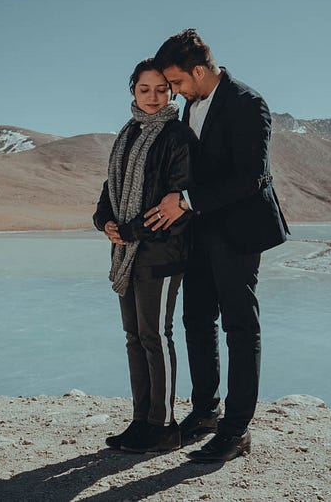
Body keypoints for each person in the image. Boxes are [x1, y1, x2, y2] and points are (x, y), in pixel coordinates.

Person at [144, 28, 289, 463]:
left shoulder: (249, 104)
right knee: (196, 319)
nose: (174, 91)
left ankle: (236, 430)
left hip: (240, 230)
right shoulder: (188, 106)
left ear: (201, 70)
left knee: (240, 328)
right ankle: (206, 411)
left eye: (178, 82)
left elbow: (251, 178)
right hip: (200, 231)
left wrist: (186, 201)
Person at [93, 58, 198, 453]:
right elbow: (111, 187)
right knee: (133, 337)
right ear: (133, 91)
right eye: (144, 89)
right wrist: (104, 221)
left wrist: (131, 230)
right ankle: (141, 421)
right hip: (127, 253)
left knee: (156, 336)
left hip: (162, 253)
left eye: (160, 89)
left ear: (171, 91)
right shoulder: (127, 134)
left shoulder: (177, 136)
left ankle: (165, 426)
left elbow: (175, 200)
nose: (152, 97)